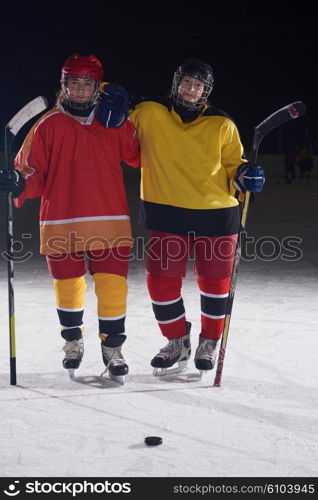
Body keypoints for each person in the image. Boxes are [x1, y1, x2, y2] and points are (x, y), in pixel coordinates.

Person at [96, 58, 265, 376]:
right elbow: (124, 143)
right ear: (175, 84)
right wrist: (110, 97)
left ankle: (209, 341)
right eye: (187, 82)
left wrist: (244, 175)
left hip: (217, 215)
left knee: (215, 287)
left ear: (206, 91)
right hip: (166, 214)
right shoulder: (148, 112)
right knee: (160, 286)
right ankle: (177, 340)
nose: (191, 89)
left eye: (198, 85)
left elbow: (233, 164)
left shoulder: (221, 123)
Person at [0, 54, 140, 383]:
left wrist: (126, 121)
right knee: (68, 287)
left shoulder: (112, 121)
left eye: (86, 84)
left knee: (112, 288)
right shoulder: (47, 125)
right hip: (62, 220)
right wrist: (19, 182)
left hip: (110, 220)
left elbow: (137, 156)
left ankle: (113, 348)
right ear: (63, 85)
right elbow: (32, 174)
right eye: (73, 83)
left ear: (97, 87)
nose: (79, 90)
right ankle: (73, 342)